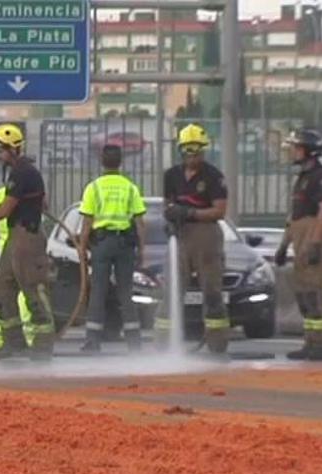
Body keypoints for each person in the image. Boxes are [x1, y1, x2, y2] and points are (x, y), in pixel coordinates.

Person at [0, 123, 56, 361]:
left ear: (13, 148)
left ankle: (43, 345)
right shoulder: (19, 173)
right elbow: (42, 204)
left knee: (33, 291)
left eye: (0, 150)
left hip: (28, 238)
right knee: (1, 291)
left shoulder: (23, 173)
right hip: (16, 235)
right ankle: (14, 344)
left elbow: (6, 208)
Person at [156, 124, 231, 354]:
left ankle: (216, 344)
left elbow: (219, 211)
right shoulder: (172, 176)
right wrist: (170, 217)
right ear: (181, 150)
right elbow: (167, 203)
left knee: (211, 291)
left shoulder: (214, 177)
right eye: (188, 150)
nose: (192, 155)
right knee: (171, 291)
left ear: (204, 150)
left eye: (197, 150)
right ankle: (163, 343)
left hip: (206, 235)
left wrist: (190, 213)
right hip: (180, 235)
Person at [276, 129, 322, 361]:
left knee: (318, 292)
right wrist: (284, 246)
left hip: (316, 240)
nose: (292, 152)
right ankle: (311, 341)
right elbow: (294, 217)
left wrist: (315, 243)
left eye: (296, 147)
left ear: (308, 151)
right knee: (304, 293)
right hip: (300, 240)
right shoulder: (303, 178)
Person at [77, 145, 147, 354]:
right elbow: (140, 222)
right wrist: (143, 250)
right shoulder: (130, 187)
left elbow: (87, 222)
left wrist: (82, 247)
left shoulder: (94, 187)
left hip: (102, 244)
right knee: (125, 292)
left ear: (102, 161)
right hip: (125, 244)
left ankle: (93, 342)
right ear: (120, 162)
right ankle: (134, 343)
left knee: (98, 291)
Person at [0, 186, 34, 351]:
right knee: (22, 294)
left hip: (6, 247)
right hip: (21, 246)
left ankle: (1, 339)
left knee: (4, 293)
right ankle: (28, 338)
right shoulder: (27, 192)